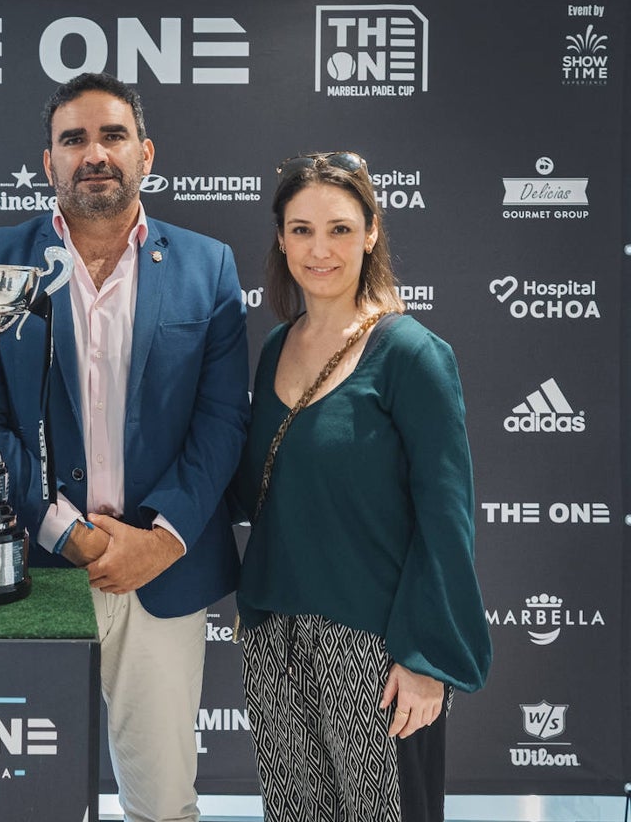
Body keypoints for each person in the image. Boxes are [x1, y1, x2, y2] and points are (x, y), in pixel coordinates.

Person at [0, 72, 250, 822]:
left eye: (113, 136)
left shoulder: (208, 266)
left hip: (161, 574)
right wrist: (73, 533)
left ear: (146, 153)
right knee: (21, 799)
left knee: (161, 804)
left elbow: (221, 422)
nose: (96, 153)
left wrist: (161, 540)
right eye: (75, 139)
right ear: (48, 162)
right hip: (31, 566)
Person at [234, 151, 491, 822]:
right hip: (277, 642)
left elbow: (448, 516)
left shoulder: (410, 353)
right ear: (281, 237)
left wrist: (426, 657)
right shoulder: (275, 348)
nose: (320, 249)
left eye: (340, 229)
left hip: (378, 653)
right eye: (301, 230)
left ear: (372, 231)